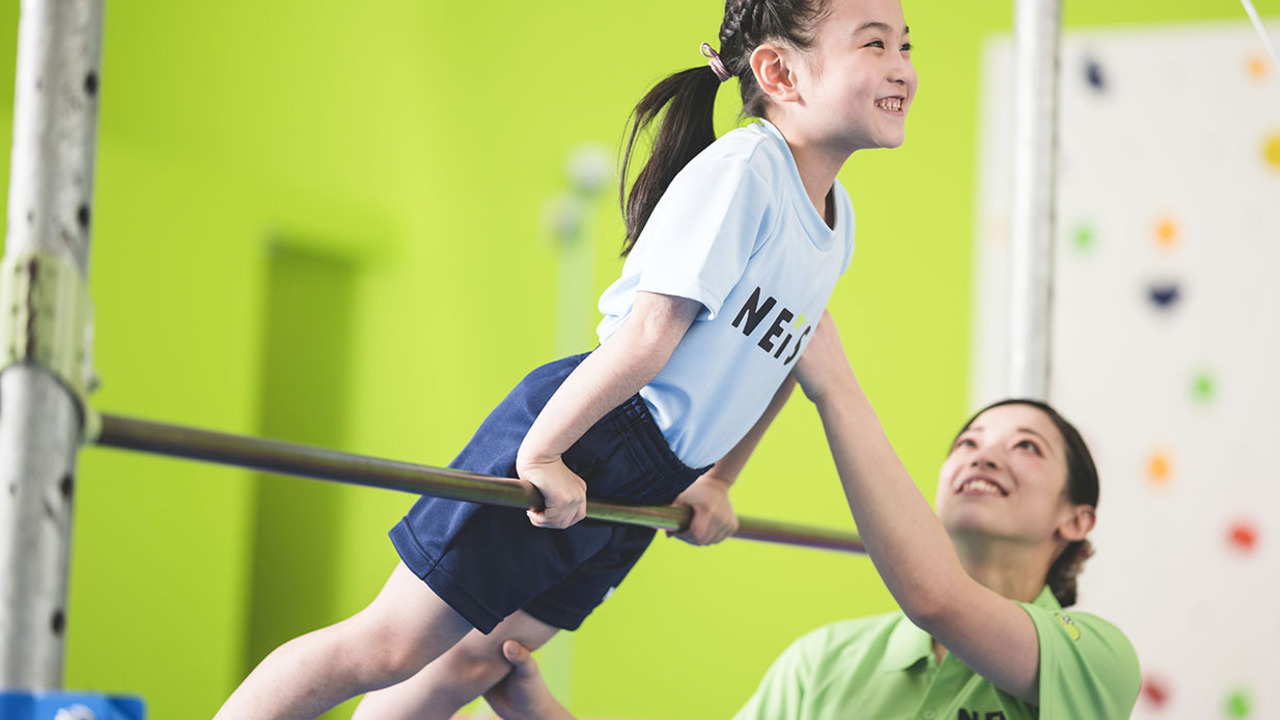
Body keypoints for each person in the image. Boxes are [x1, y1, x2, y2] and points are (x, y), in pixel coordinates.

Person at [213, 0, 916, 716]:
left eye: (906, 46)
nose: (903, 68)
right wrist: (543, 454)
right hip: (596, 427)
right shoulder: (746, 171)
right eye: (875, 43)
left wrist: (718, 480)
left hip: (656, 477)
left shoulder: (838, 218)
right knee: (387, 647)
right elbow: (648, 335)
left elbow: (778, 361)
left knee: (477, 660)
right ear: (778, 71)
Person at [478, 312, 1141, 720]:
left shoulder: (1095, 659)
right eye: (968, 442)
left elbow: (935, 598)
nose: (984, 455)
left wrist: (834, 386)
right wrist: (537, 712)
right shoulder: (827, 662)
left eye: (1025, 447)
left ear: (1077, 520)